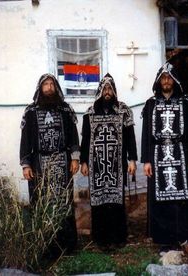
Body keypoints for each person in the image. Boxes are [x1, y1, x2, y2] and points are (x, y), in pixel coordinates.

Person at [141, 62, 188, 251]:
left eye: (169, 78)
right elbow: (146, 134)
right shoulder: (151, 104)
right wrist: (147, 160)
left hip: (180, 153)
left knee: (182, 197)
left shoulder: (184, 103)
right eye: (163, 78)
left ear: (174, 81)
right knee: (160, 199)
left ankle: (185, 235)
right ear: (159, 82)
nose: (166, 81)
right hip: (158, 155)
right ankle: (164, 238)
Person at [20, 73, 80, 254]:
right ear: (40, 88)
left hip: (62, 162)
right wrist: (26, 164)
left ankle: (67, 246)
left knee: (64, 203)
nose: (48, 87)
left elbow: (73, 136)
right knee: (41, 203)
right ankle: (45, 247)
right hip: (39, 163)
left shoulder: (65, 110)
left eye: (51, 84)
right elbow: (25, 140)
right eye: (45, 84)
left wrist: (75, 158)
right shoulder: (31, 112)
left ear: (56, 87)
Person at [80, 73, 137, 249]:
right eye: (104, 88)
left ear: (114, 91)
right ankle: (101, 239)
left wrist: (132, 159)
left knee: (116, 200)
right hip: (97, 164)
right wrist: (83, 161)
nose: (107, 92)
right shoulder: (90, 113)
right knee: (99, 201)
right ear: (99, 91)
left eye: (110, 88)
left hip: (116, 164)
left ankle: (118, 238)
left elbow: (130, 137)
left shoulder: (123, 111)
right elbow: (86, 140)